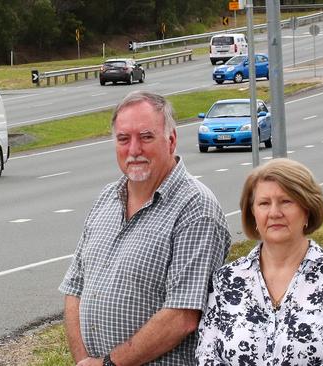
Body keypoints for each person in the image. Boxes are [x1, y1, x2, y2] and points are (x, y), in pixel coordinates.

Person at [59, 91, 232, 366]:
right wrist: (84, 361)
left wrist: (108, 364)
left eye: (146, 137)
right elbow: (75, 288)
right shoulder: (106, 198)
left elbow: (183, 316)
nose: (134, 150)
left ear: (171, 140)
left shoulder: (196, 208)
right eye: (123, 139)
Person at [196, 158, 323, 365]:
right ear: (253, 213)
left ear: (307, 209)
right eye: (264, 203)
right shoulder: (226, 280)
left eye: (286, 201)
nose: (274, 213)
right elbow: (206, 356)